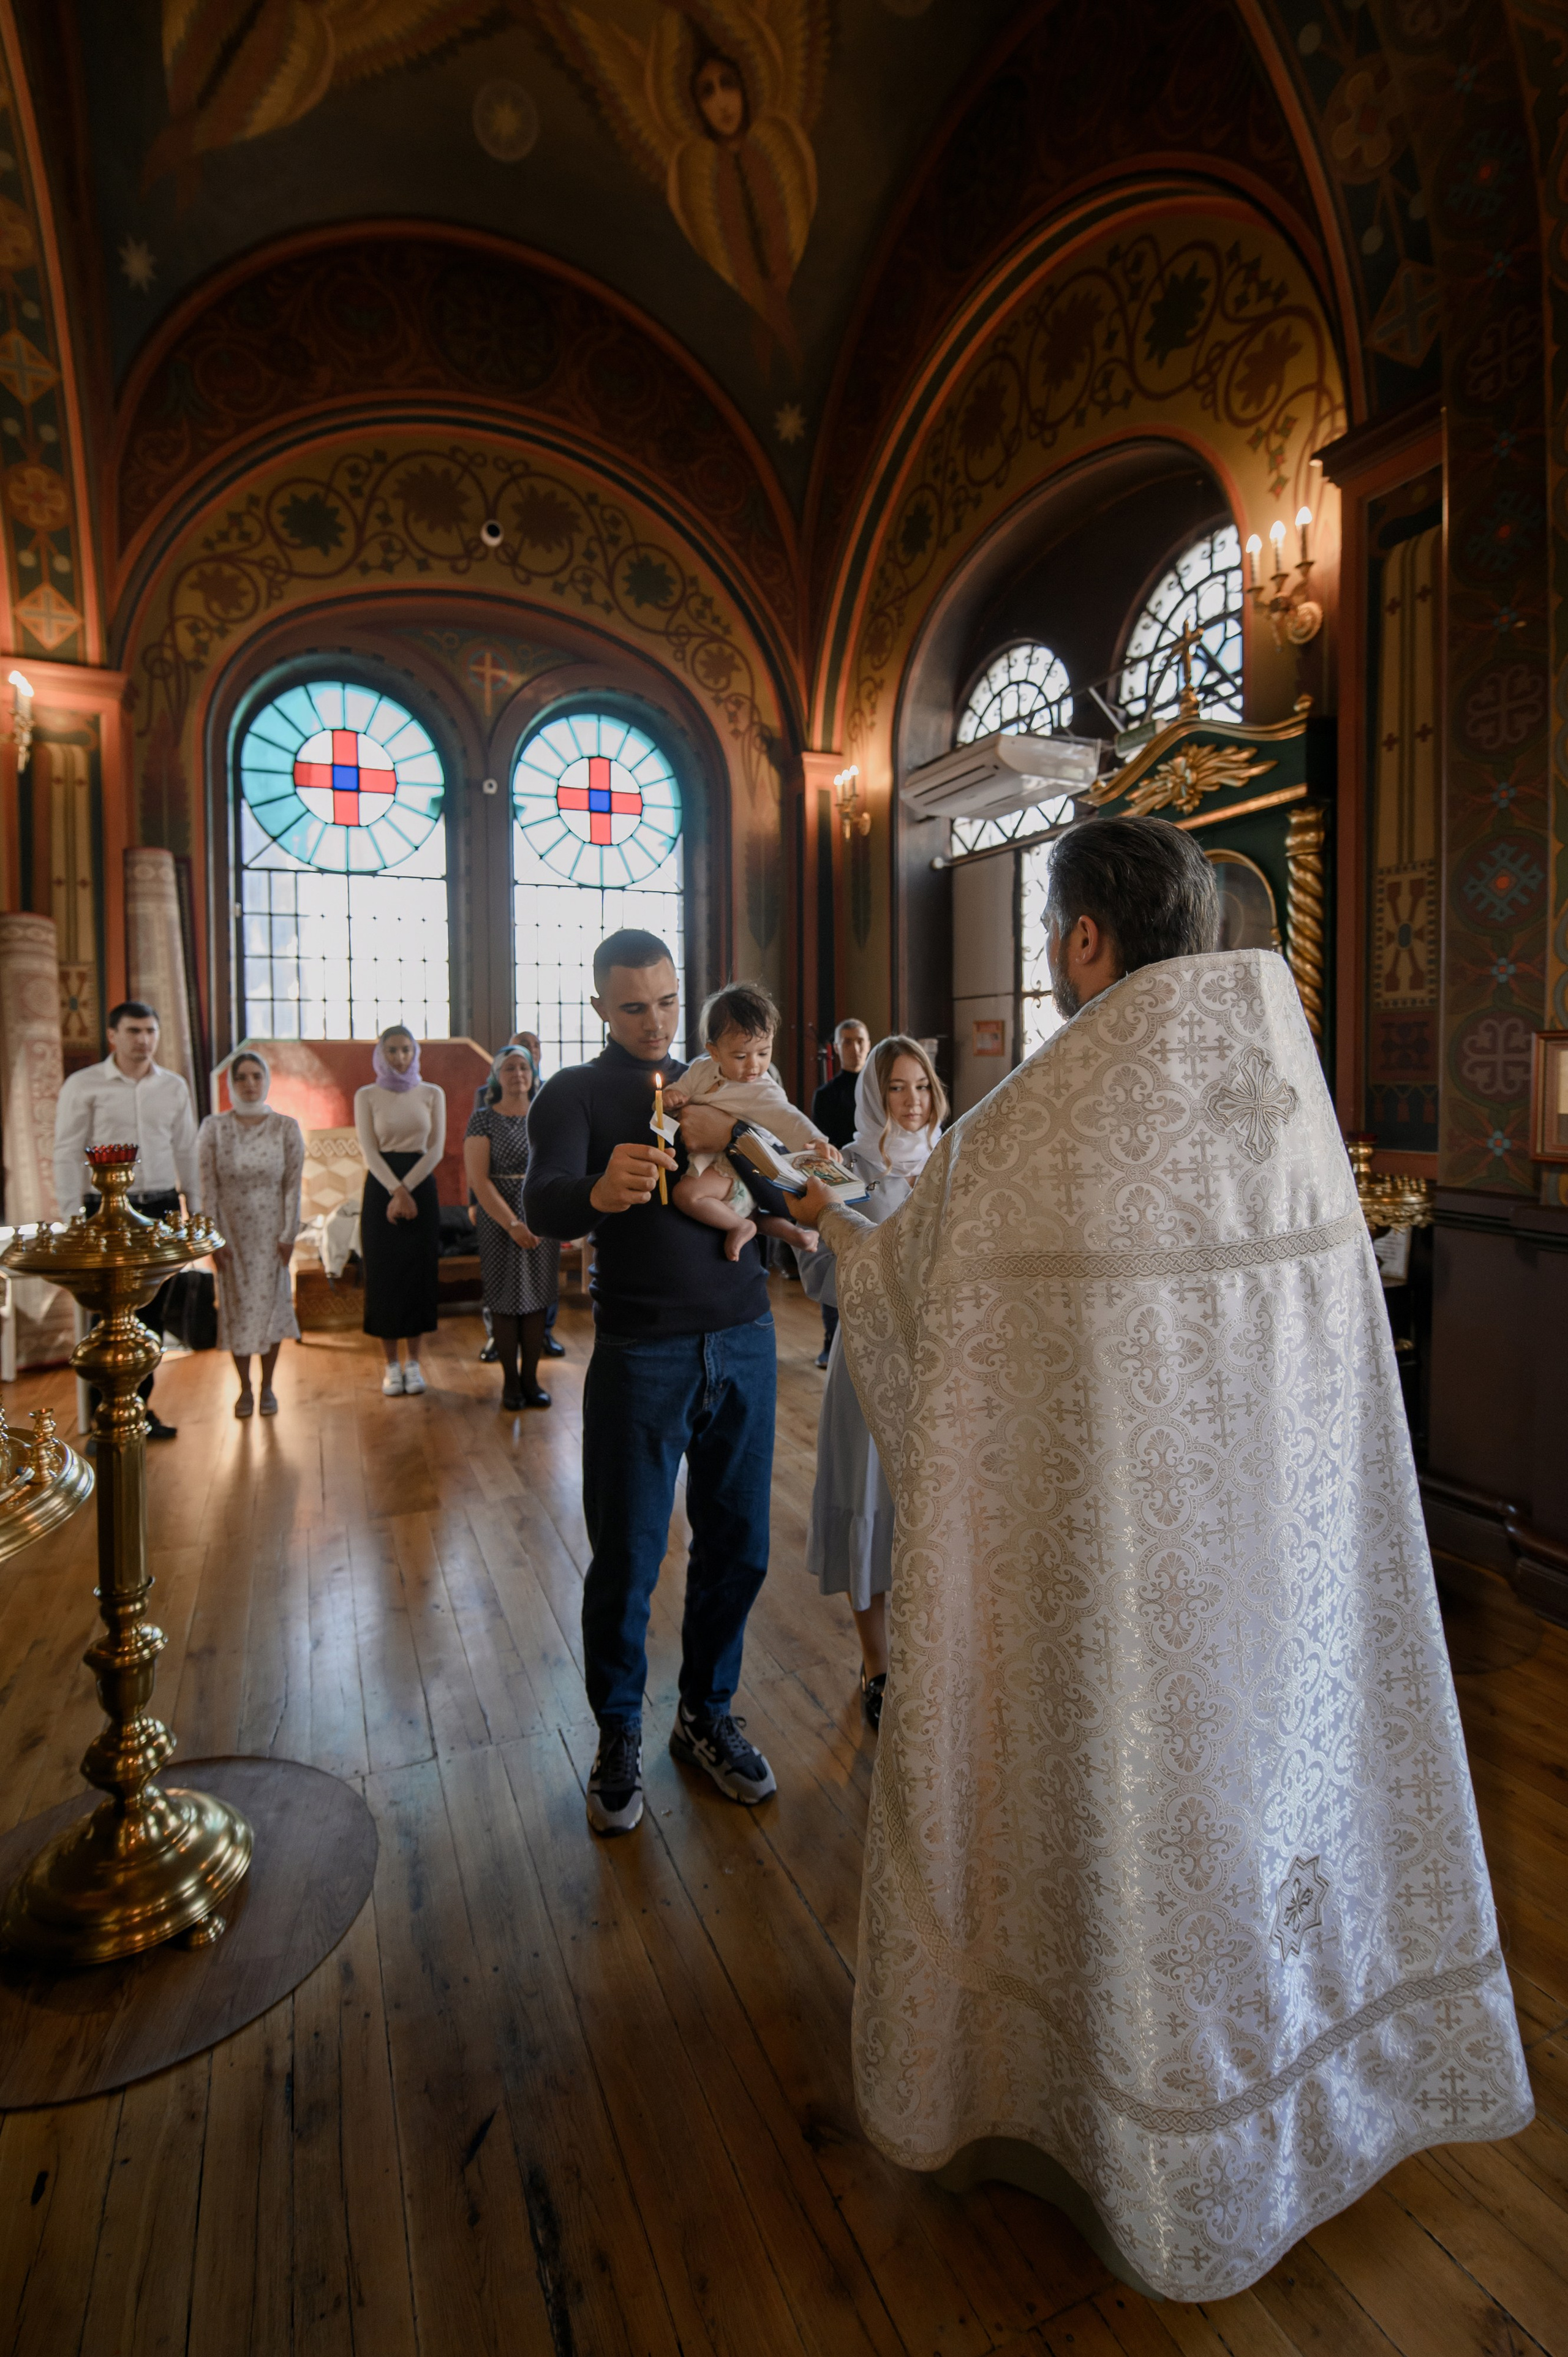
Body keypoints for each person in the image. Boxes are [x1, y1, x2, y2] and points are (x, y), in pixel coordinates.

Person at [794, 815, 1532, 2303]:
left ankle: (1105, 2117)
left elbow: (907, 1306)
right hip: (1279, 1571)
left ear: (1081, 940)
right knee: (1266, 1808)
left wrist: (815, 1211)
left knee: (1122, 1824)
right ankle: (1309, 2091)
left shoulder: (1035, 1122)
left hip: (1114, 1585)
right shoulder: (1283, 1098)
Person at [524, 927, 783, 1837]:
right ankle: (617, 1734)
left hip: (746, 1336)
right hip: (643, 1354)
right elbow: (540, 1198)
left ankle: (706, 1713)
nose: (655, 1020)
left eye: (668, 1001)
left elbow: (778, 1181)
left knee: (739, 1546)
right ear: (599, 1005)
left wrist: (775, 1166)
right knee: (630, 1558)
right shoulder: (573, 1093)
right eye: (633, 1005)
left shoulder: (716, 1078)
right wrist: (595, 1192)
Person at [800, 1036, 944, 1732]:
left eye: (921, 1085)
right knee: (869, 1501)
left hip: (938, 1367)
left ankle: (924, 1659)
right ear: (872, 1094)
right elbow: (822, 1276)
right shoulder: (850, 1166)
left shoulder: (956, 1161)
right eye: (896, 1087)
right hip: (867, 1361)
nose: (912, 1100)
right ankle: (877, 1664)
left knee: (926, 1516)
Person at [53, 998, 202, 1439]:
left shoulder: (173, 1086)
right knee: (107, 1315)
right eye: (134, 1031)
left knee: (153, 1312)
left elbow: (186, 1148)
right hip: (104, 1211)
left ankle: (140, 1408)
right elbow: (66, 1151)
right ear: (113, 1036)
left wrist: (196, 1203)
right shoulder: (85, 1085)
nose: (144, 1040)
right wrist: (70, 1216)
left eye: (151, 1031)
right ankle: (105, 1416)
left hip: (159, 1206)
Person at [663, 982, 827, 1261]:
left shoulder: (762, 1090)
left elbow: (790, 1119)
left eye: (763, 1053)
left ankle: (739, 1227)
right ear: (714, 1052)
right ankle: (793, 1235)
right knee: (752, 1214)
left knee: (686, 1196)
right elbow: (682, 1090)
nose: (754, 1066)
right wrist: (672, 1096)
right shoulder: (701, 1070)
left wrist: (818, 1142)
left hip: (739, 1165)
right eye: (741, 1056)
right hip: (717, 1165)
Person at [198, 1049, 304, 1418]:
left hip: (272, 1234)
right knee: (237, 1311)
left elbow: (293, 1185)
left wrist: (289, 1234)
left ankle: (268, 1386)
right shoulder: (214, 1128)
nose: (249, 1084)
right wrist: (213, 1239)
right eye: (241, 1077)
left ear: (267, 1081)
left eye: (256, 1076)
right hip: (232, 1236)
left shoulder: (286, 1127)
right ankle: (244, 1388)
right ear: (231, 1084)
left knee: (273, 1309)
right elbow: (207, 1187)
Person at [464, 1044, 559, 1411]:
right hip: (498, 1216)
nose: (518, 1074)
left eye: (524, 1067)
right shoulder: (483, 1119)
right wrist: (513, 1223)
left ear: (533, 1073)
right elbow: (479, 1180)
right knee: (505, 1302)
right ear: (496, 1077)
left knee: (538, 1299)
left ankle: (532, 1380)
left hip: (541, 1212)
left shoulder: (547, 1115)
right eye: (509, 1068)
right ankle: (510, 1384)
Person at [354, 1025, 445, 1397]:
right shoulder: (367, 1095)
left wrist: (408, 1191)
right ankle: (390, 1366)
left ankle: (414, 1364)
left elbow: (436, 1148)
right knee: (384, 1276)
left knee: (418, 1274)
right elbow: (369, 1150)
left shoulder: (432, 1093)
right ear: (381, 1054)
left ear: (416, 1052)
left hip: (422, 1186)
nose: (400, 1057)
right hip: (381, 1189)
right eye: (392, 1050)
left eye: (407, 1050)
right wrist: (396, 1190)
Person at [810, 1019, 870, 1363]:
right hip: (839, 1181)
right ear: (836, 1048)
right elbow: (826, 1144)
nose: (855, 1048)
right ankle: (831, 1337)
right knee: (834, 1259)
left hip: (874, 1180)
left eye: (860, 1041)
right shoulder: (826, 1095)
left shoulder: (877, 1089)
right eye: (847, 1042)